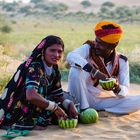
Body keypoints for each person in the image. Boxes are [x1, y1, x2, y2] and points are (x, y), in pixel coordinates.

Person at [0, 35, 78, 130]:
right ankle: (35, 122)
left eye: (59, 51)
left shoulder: (55, 68)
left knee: (71, 108)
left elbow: (58, 94)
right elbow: (31, 96)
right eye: (52, 50)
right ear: (43, 51)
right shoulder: (35, 67)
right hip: (24, 105)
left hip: (40, 104)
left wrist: (68, 103)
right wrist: (55, 107)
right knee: (50, 104)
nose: (56, 55)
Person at [66, 21, 140, 114]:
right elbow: (71, 56)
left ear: (114, 45)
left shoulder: (122, 61)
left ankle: (96, 110)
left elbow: (125, 91)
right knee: (75, 70)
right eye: (96, 40)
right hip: (81, 96)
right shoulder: (88, 48)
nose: (96, 45)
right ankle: (84, 109)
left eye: (101, 43)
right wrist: (95, 72)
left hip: (102, 100)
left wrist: (117, 88)